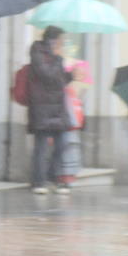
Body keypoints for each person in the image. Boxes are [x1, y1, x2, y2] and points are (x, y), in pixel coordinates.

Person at [28, 25, 72, 194]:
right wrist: (59, 59)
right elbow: (46, 76)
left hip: (58, 108)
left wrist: (71, 75)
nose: (63, 42)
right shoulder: (38, 51)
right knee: (41, 146)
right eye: (61, 38)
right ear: (53, 39)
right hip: (42, 106)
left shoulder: (54, 55)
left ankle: (53, 178)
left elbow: (58, 81)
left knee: (62, 144)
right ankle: (38, 181)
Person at [54, 43, 92, 193]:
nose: (80, 75)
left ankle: (68, 179)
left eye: (82, 73)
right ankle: (61, 179)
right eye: (77, 73)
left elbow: (79, 112)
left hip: (73, 129)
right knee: (63, 153)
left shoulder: (78, 92)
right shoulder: (66, 92)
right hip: (65, 126)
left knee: (71, 153)